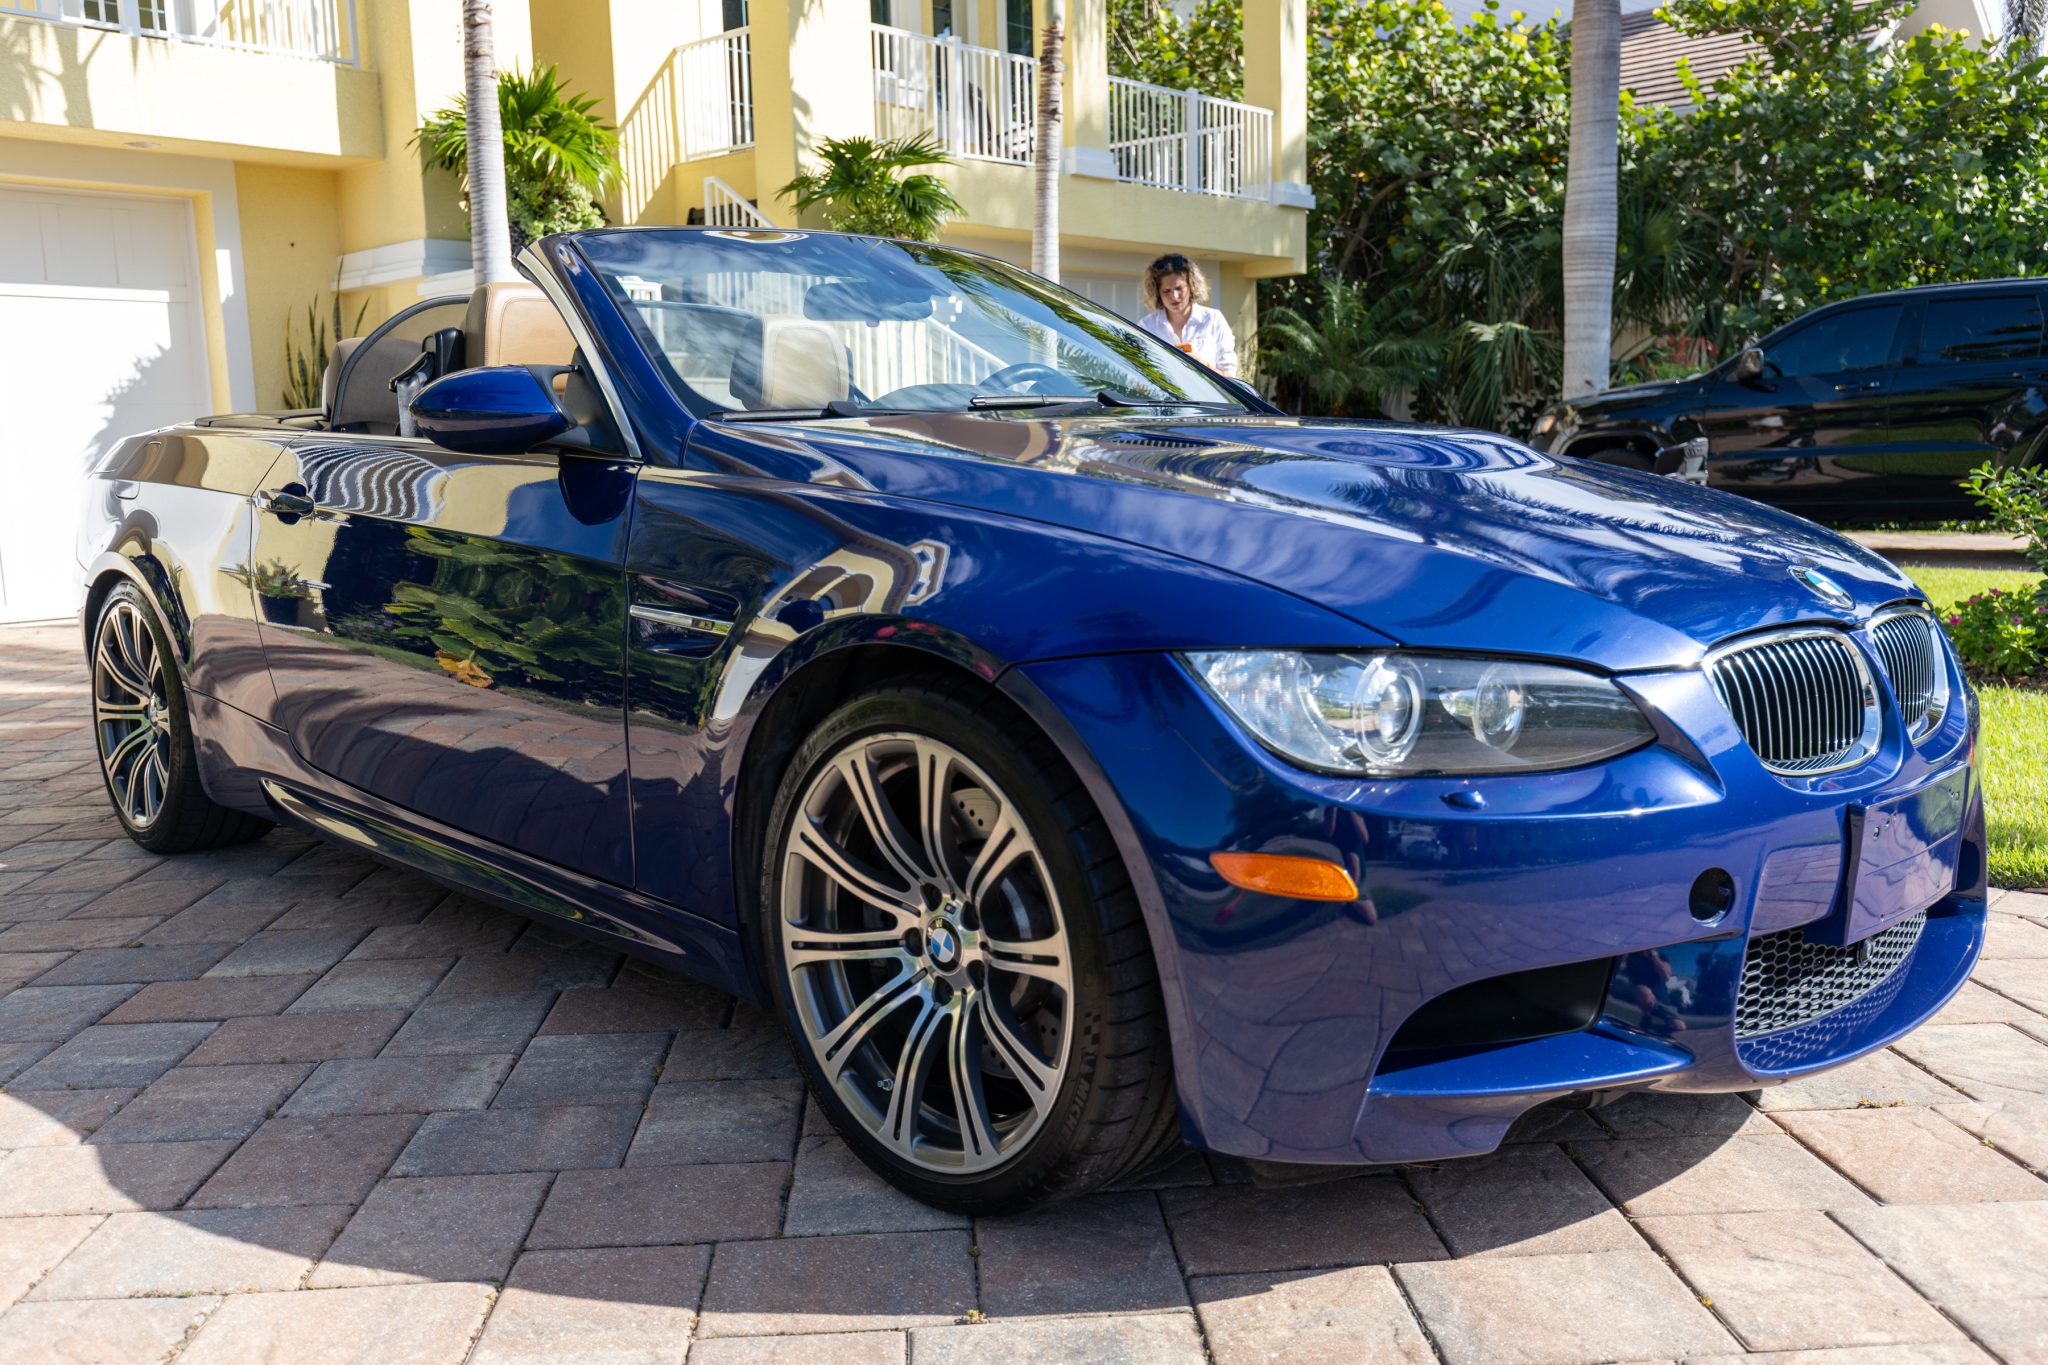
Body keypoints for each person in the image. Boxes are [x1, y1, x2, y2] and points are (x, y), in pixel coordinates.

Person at [1137, 253, 1239, 377]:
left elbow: (1230, 376)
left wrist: (1204, 366)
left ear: (1191, 286)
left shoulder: (1213, 319)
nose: (1174, 296)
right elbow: (1138, 374)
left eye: (1179, 288)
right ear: (1157, 292)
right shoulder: (1147, 326)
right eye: (1166, 291)